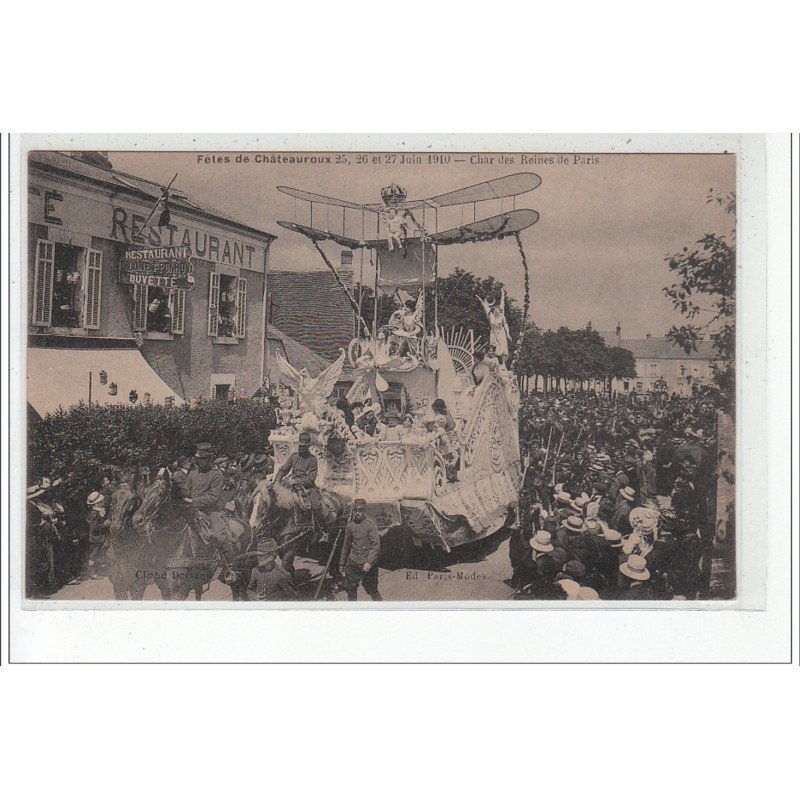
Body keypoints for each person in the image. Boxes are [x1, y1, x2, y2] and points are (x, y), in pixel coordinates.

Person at [183, 442, 237, 569]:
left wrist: (193, 501)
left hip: (211, 511)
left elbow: (213, 497)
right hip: (192, 510)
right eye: (197, 459)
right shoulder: (192, 474)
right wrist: (181, 496)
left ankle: (231, 564)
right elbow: (186, 490)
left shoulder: (216, 474)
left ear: (209, 460)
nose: (199, 462)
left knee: (219, 534)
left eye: (202, 459)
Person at [275, 431, 325, 531]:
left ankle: (323, 531)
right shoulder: (294, 456)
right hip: (290, 484)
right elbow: (283, 469)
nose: (301, 448)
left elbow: (311, 478)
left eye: (304, 446)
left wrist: (296, 482)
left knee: (315, 506)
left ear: (308, 446)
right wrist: (277, 480)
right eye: (300, 445)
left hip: (307, 488)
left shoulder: (312, 459)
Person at [339, 499, 382, 601]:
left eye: (360, 511)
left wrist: (369, 562)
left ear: (364, 510)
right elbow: (346, 545)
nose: (357, 513)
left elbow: (376, 546)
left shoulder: (370, 525)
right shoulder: (350, 525)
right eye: (355, 510)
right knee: (351, 590)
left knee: (372, 589)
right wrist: (342, 563)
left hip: (367, 563)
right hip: (353, 562)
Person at [476, 288, 511, 367]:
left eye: (498, 310)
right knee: (493, 347)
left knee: (503, 346)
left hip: (501, 332)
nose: (496, 311)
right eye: (495, 310)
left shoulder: (502, 316)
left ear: (500, 310)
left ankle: (503, 364)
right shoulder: (490, 315)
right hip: (493, 332)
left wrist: (508, 334)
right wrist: (480, 299)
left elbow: (505, 324)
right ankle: (494, 363)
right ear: (493, 311)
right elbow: (485, 306)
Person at [85, 491, 110, 579]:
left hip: (99, 537)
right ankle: (93, 573)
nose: (103, 503)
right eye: (101, 501)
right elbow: (94, 527)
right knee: (93, 555)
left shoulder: (98, 512)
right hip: (96, 537)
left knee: (97, 554)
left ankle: (97, 571)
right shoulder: (94, 513)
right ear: (98, 503)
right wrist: (105, 525)